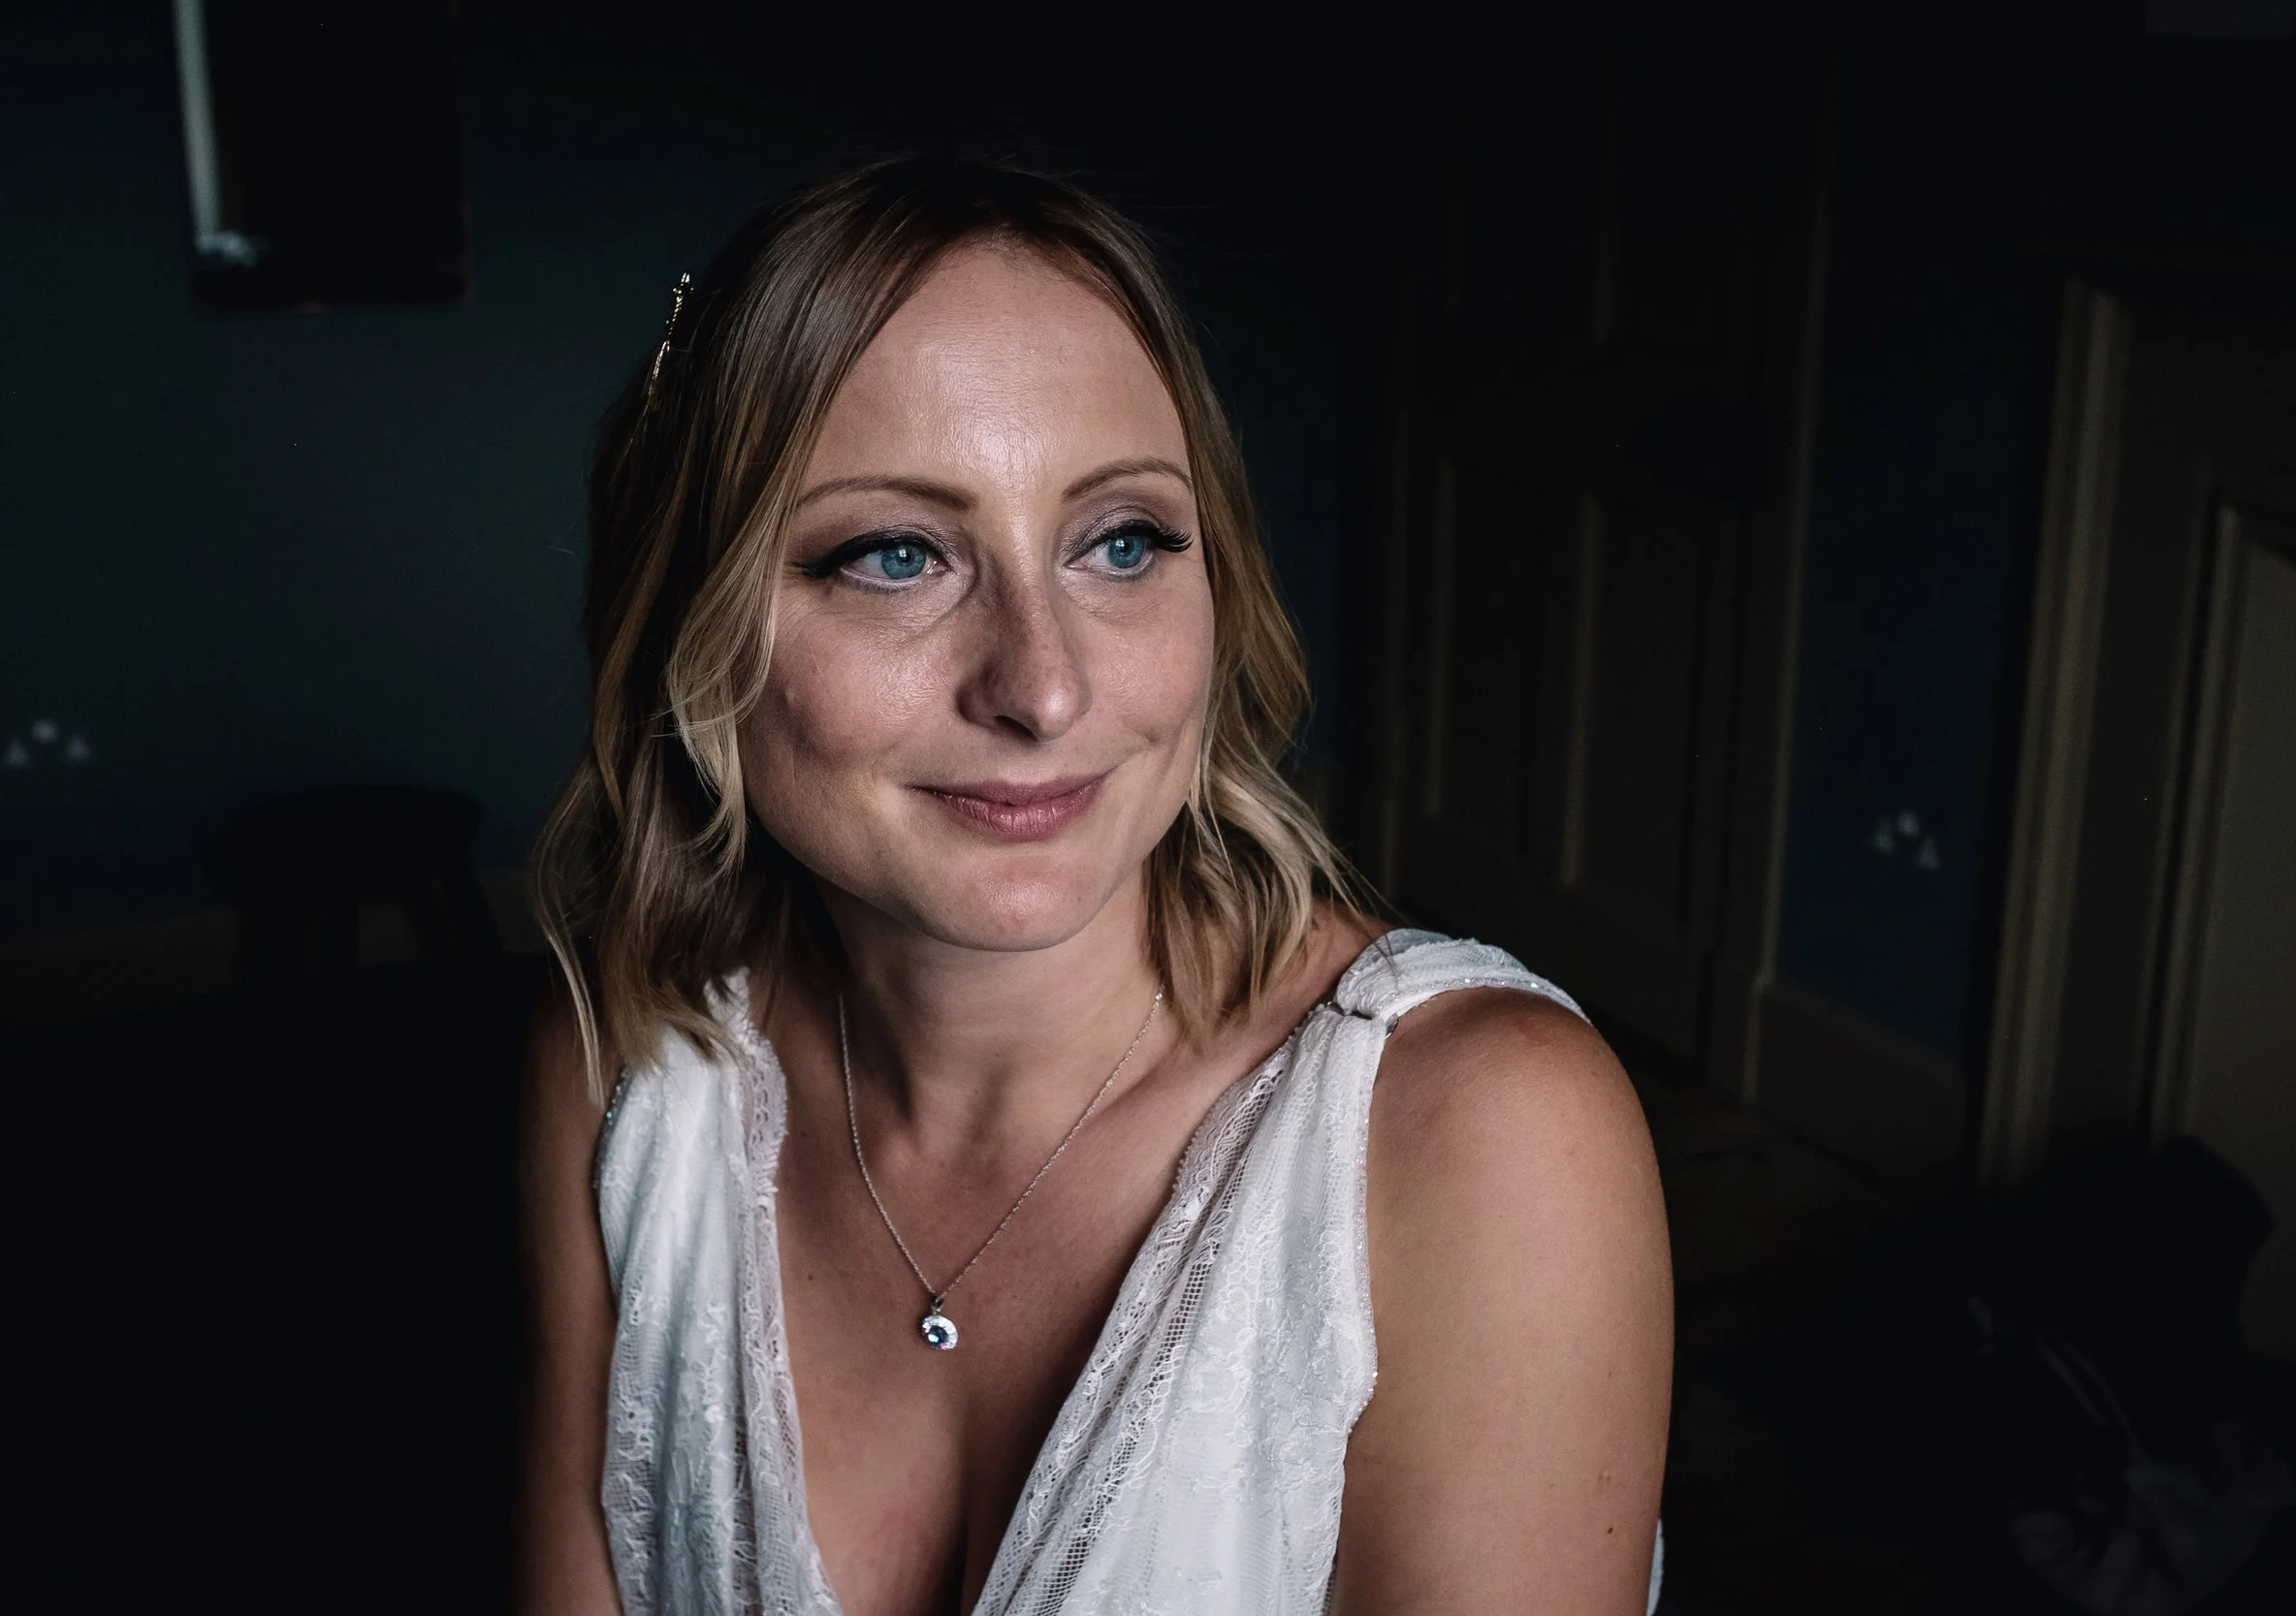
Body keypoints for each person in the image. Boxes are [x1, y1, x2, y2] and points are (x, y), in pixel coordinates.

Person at [515, 156, 1671, 1616]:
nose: (1045, 686)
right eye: (895, 555)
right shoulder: (628, 1076)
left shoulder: (1482, 1137)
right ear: (689, 615)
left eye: (1121, 542)